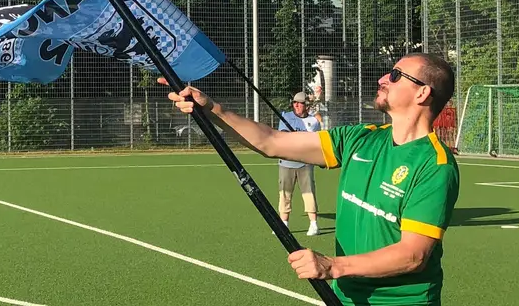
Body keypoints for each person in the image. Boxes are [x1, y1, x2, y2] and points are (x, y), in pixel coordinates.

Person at [164, 53, 460, 305]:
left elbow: (413, 255)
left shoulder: (435, 164)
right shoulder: (360, 138)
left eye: (395, 75)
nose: (383, 78)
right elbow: (271, 142)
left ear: (422, 93)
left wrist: (334, 266)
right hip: (344, 297)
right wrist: (212, 108)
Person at [278, 92, 324, 236]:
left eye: (300, 103)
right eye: (295, 103)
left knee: (309, 193)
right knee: (284, 193)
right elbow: (284, 138)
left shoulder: (313, 122)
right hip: (286, 163)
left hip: (305, 164)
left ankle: (314, 225)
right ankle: (284, 224)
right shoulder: (285, 117)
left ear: (307, 106)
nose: (297, 105)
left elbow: (314, 142)